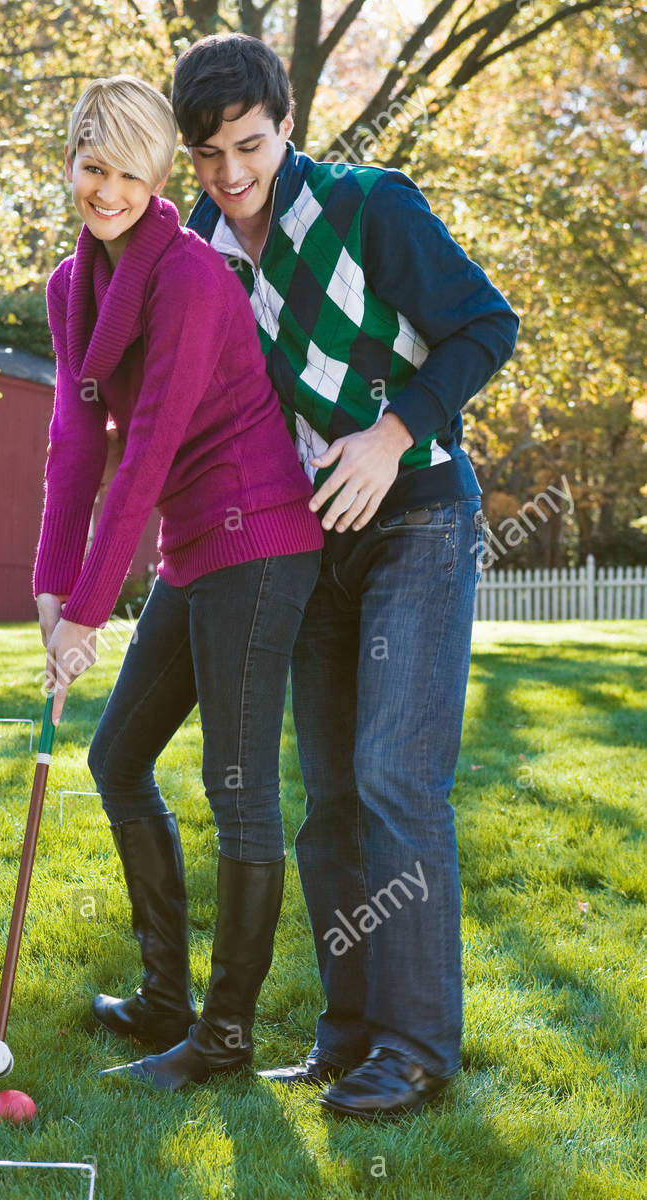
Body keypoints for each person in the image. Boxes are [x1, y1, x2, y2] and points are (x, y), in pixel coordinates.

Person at [172, 35, 520, 1117]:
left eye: (250, 145)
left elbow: (485, 325)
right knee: (324, 798)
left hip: (414, 512)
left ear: (287, 127)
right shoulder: (195, 246)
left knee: (393, 779)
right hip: (304, 539)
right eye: (207, 154)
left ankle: (415, 1048)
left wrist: (389, 433)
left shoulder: (370, 205)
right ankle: (348, 1033)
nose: (231, 175)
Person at [32, 75, 323, 1091]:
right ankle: (164, 997)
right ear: (70, 163)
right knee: (116, 758)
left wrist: (89, 613)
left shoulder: (191, 277)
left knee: (235, 787)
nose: (106, 190)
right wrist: (51, 587)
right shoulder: (75, 288)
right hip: (192, 548)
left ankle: (224, 1040)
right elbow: (77, 435)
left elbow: (146, 450)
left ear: (159, 178)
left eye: (128, 173)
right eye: (91, 167)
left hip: (258, 537)